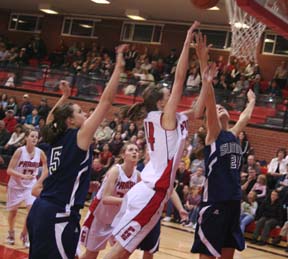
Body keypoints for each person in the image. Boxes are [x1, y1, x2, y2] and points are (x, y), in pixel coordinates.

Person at [103, 21, 200, 259]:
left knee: (124, 250)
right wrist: (187, 42)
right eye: (169, 96)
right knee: (121, 250)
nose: (174, 96)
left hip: (147, 189)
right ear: (160, 103)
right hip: (151, 191)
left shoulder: (162, 118)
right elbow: (179, 80)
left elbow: (197, 112)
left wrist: (207, 78)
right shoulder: (165, 119)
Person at [26, 44, 127, 259]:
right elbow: (106, 101)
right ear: (71, 120)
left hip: (41, 210)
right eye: (81, 112)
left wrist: (64, 98)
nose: (85, 115)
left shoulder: (55, 137)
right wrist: (119, 66)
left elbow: (52, 118)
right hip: (58, 215)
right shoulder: (78, 136)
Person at [191, 32, 256, 259]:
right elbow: (209, 102)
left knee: (227, 254)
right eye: (216, 109)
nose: (219, 109)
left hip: (233, 203)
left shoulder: (233, 134)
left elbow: (245, 118)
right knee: (208, 255)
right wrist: (203, 67)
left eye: (221, 107)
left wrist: (252, 101)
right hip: (215, 202)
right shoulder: (214, 134)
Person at [79, 143, 141, 259]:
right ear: (123, 155)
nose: (134, 152)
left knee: (122, 253)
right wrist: (127, 201)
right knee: (91, 254)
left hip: (117, 219)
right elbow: (105, 198)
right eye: (131, 150)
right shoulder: (115, 171)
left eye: (137, 150)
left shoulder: (138, 176)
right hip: (99, 216)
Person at [6, 129, 48, 248]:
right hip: (16, 185)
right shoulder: (20, 151)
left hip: (30, 185)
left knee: (32, 211)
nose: (35, 138)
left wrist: (40, 181)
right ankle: (11, 232)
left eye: (36, 137)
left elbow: (46, 165)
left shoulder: (40, 152)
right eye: (32, 136)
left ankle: (25, 234)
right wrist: (23, 176)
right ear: (27, 138)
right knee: (13, 212)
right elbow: (9, 170)